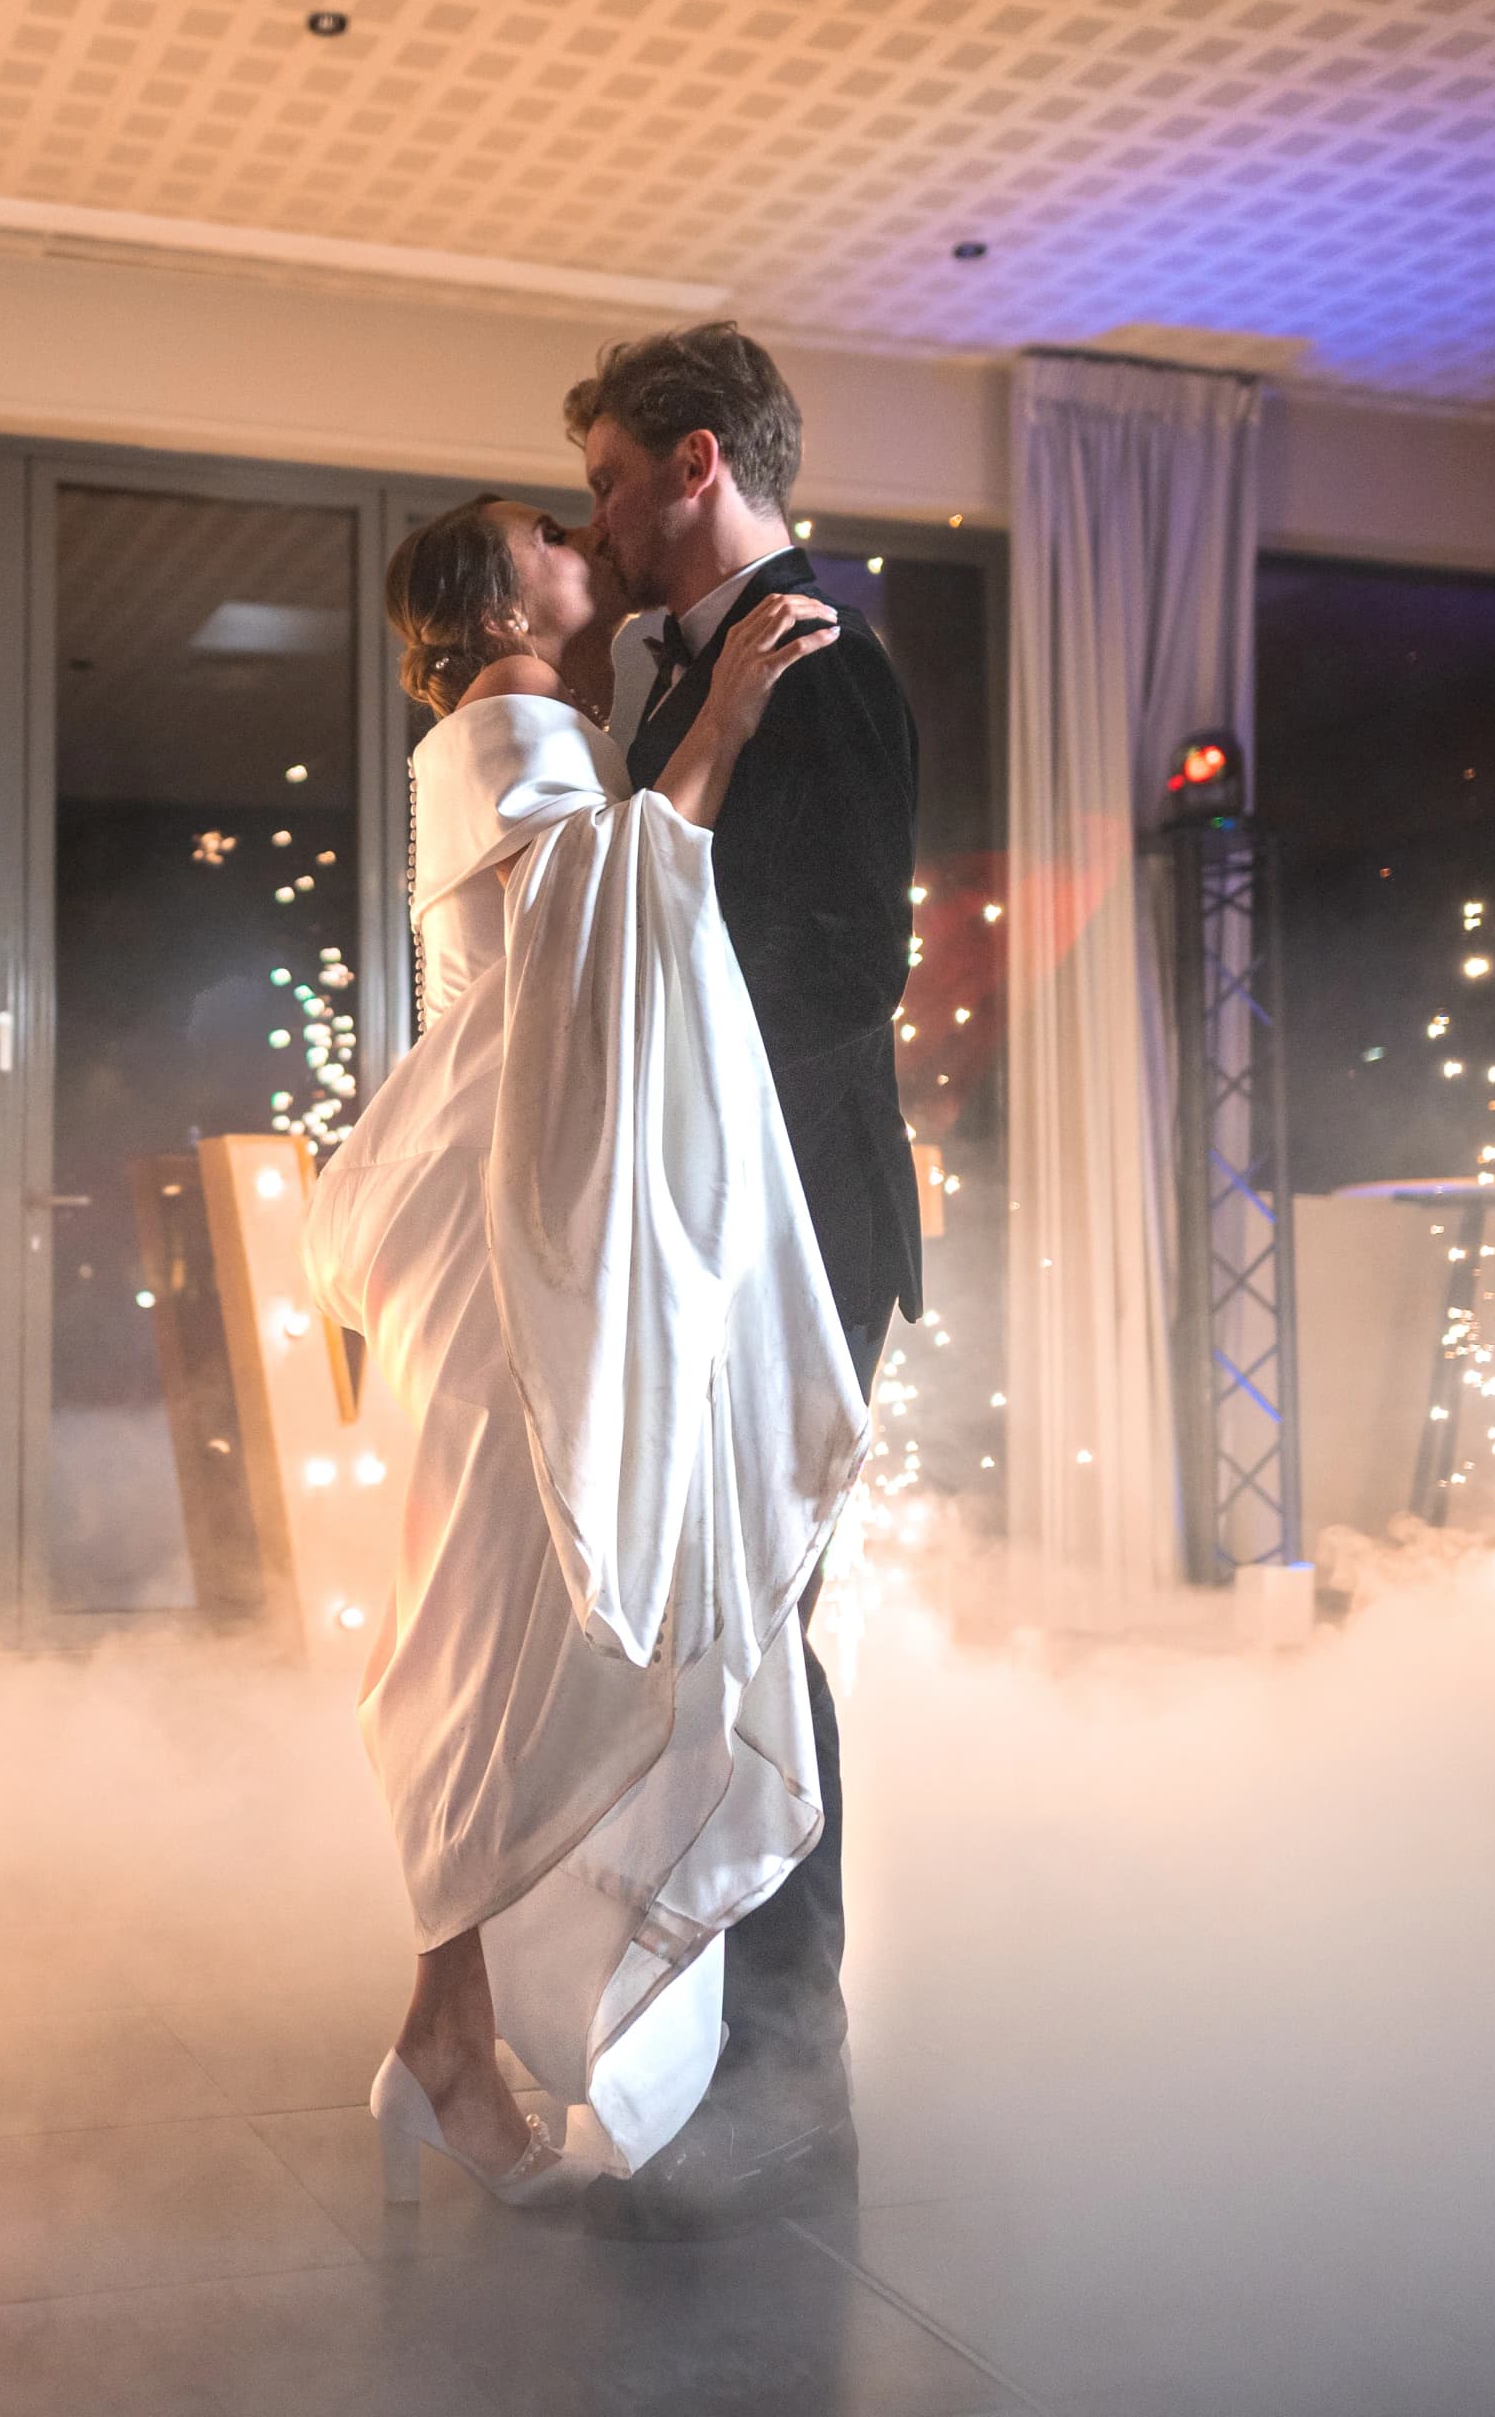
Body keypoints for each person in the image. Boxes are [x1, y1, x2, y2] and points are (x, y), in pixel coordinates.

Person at [304, 489, 871, 2210]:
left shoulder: (507, 728)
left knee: (497, 1618)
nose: (582, 544)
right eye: (551, 530)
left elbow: (577, 923)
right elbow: (593, 925)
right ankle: (449, 2026)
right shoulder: (505, 720)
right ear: (498, 597)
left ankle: (445, 2026)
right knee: (494, 1626)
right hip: (509, 1252)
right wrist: (718, 726)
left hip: (502, 1226)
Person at [569, 320, 925, 2238]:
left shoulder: (824, 661)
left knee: (762, 1623)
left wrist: (669, 1117)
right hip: (705, 1214)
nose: (598, 517)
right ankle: (697, 2029)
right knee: (700, 1632)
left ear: (695, 461)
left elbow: (839, 965)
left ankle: (792, 2062)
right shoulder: (686, 675)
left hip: (787, 1220)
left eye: (616, 480)